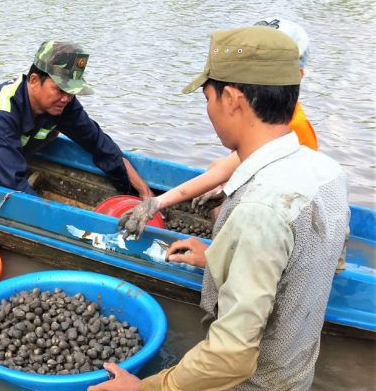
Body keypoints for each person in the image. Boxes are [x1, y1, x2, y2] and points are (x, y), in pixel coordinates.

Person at [94, 26, 350, 390]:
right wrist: (221, 257)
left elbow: (230, 357)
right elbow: (319, 264)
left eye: (208, 98)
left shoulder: (258, 209)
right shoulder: (328, 173)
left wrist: (143, 388)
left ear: (231, 98)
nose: (209, 111)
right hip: (296, 376)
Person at [119, 18, 319, 238]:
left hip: (283, 217)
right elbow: (227, 167)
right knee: (217, 166)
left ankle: (219, 254)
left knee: (223, 187)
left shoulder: (289, 127)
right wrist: (157, 202)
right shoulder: (267, 116)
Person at [0, 40, 154, 199]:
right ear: (33, 80)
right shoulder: (1, 112)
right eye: (59, 89)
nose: (66, 98)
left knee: (52, 132)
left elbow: (99, 143)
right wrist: (49, 213)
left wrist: (141, 192)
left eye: (71, 91)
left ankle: (8, 158)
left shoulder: (64, 103)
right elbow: (10, 181)